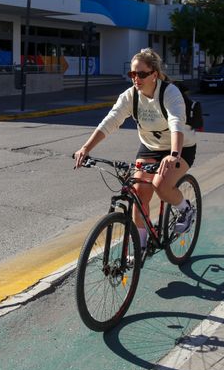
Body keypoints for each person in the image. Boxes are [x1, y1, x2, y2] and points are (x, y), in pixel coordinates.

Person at [74, 48, 197, 254]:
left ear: (154, 75)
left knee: (161, 185)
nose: (136, 79)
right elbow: (110, 121)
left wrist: (173, 155)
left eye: (141, 74)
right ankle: (140, 246)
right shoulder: (130, 96)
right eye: (133, 74)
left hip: (180, 147)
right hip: (150, 147)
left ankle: (186, 209)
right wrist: (86, 148)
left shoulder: (169, 92)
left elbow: (176, 123)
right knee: (138, 194)